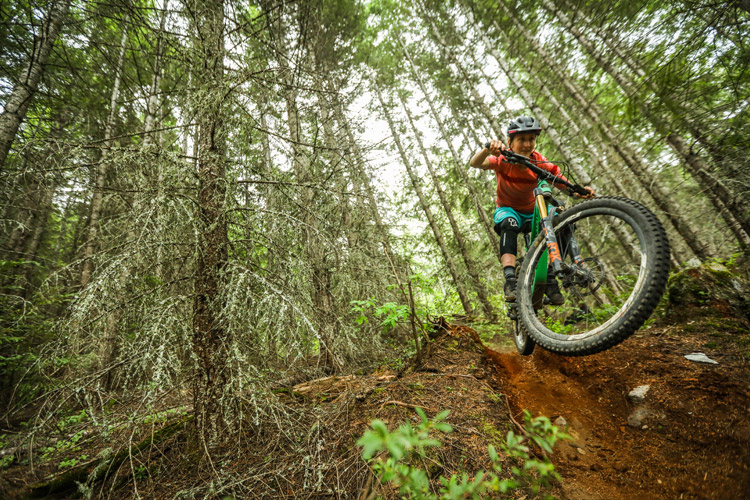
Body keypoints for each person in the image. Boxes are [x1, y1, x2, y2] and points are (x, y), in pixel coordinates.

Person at [469, 116, 594, 303]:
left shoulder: (539, 162)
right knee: (508, 224)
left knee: (559, 222)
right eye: (521, 140)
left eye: (531, 139)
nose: (527, 144)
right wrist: (488, 149)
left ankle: (550, 276)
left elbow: (559, 181)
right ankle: (510, 280)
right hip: (509, 210)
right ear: (510, 142)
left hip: (533, 213)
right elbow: (475, 163)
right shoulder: (502, 159)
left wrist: (578, 192)